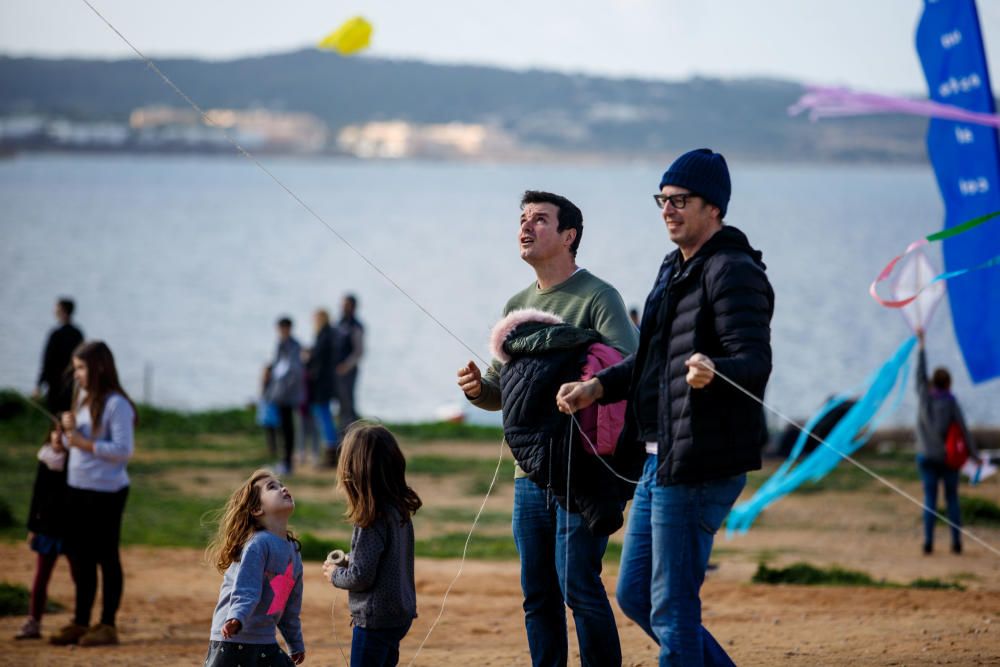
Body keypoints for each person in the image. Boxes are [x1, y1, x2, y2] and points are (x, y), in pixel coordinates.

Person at [557, 149, 774, 667]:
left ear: (714, 208)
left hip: (701, 461)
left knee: (673, 606)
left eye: (680, 201)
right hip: (661, 460)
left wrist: (715, 370)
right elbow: (649, 362)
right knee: (636, 596)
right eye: (663, 200)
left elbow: (754, 361)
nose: (668, 210)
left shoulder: (733, 270)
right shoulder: (672, 268)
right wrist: (596, 389)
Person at [456, 190, 637, 667]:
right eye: (523, 219)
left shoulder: (600, 297)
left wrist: (589, 384)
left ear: (568, 235)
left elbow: (631, 370)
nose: (526, 227)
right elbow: (501, 394)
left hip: (584, 471)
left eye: (540, 219)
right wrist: (478, 390)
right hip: (528, 476)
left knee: (578, 583)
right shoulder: (515, 305)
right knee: (537, 595)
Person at [50, 341, 137, 647]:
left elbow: (124, 450)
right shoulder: (82, 397)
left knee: (105, 556)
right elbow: (74, 440)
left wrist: (84, 443)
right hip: (76, 487)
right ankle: (81, 621)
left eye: (82, 368)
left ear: (99, 367)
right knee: (79, 557)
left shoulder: (117, 404)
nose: (77, 375)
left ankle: (107, 624)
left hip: (107, 491)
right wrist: (64, 432)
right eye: (75, 368)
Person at [324, 423, 421, 667]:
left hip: (375, 620)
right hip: (399, 614)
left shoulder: (370, 519)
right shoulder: (397, 510)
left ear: (351, 472)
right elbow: (380, 559)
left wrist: (335, 574)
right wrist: (350, 559)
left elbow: (360, 577)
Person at [205, 470, 305, 666]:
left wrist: (295, 642)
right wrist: (236, 618)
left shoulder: (293, 551)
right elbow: (246, 589)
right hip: (234, 636)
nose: (283, 488)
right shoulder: (257, 544)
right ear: (257, 509)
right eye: (272, 487)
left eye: (281, 484)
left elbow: (289, 607)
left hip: (264, 639)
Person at [915, 329, 980, 555]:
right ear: (949, 384)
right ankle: (956, 543)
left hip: (926, 457)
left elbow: (920, 374)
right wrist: (974, 455)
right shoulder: (951, 402)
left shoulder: (924, 395)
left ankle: (928, 542)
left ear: (933, 382)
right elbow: (963, 430)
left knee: (930, 499)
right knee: (952, 499)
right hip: (948, 459)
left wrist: (921, 343)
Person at [15, 426, 71, 640]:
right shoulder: (45, 458)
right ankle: (33, 621)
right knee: (41, 576)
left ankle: (80, 621)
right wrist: (33, 526)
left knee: (79, 575)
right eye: (55, 431)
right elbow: (37, 494)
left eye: (64, 432)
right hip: (47, 527)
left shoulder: (77, 463)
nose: (58, 436)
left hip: (70, 528)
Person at [266, 317, 305, 475]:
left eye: (284, 328)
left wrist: (284, 388)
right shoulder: (280, 344)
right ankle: (284, 460)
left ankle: (288, 463)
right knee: (283, 427)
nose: (281, 331)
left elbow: (294, 370)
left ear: (289, 328)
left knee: (288, 428)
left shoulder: (294, 346)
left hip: (288, 394)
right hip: (280, 393)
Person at [34, 297, 84, 414]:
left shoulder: (56, 334)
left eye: (57, 308)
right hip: (73, 384)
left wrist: (39, 385)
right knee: (71, 417)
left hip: (56, 385)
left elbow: (47, 361)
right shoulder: (78, 334)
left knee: (56, 419)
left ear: (63, 311)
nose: (54, 311)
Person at [307, 309, 340, 467]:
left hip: (322, 385)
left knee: (324, 416)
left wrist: (309, 359)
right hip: (326, 383)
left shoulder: (325, 336)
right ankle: (331, 449)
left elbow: (319, 360)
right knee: (324, 415)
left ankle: (331, 451)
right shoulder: (328, 335)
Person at [334, 294, 364, 429]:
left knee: (348, 402)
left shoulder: (356, 326)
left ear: (353, 307)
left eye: (346, 305)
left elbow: (359, 351)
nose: (343, 307)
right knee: (340, 402)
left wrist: (346, 366)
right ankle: (342, 432)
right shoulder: (339, 323)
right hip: (336, 370)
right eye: (342, 304)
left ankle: (351, 431)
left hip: (349, 370)